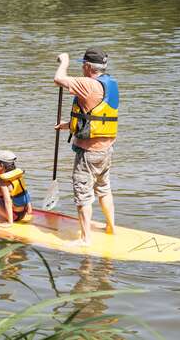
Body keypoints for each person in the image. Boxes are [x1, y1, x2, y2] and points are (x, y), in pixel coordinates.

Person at [53, 48, 119, 245]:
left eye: (82, 64)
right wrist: (69, 125)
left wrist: (63, 61)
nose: (81, 67)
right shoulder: (110, 84)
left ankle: (85, 239)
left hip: (88, 154)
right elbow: (96, 114)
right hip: (106, 151)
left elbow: (58, 79)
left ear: (88, 67)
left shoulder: (87, 84)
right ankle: (111, 228)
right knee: (104, 189)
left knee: (83, 195)